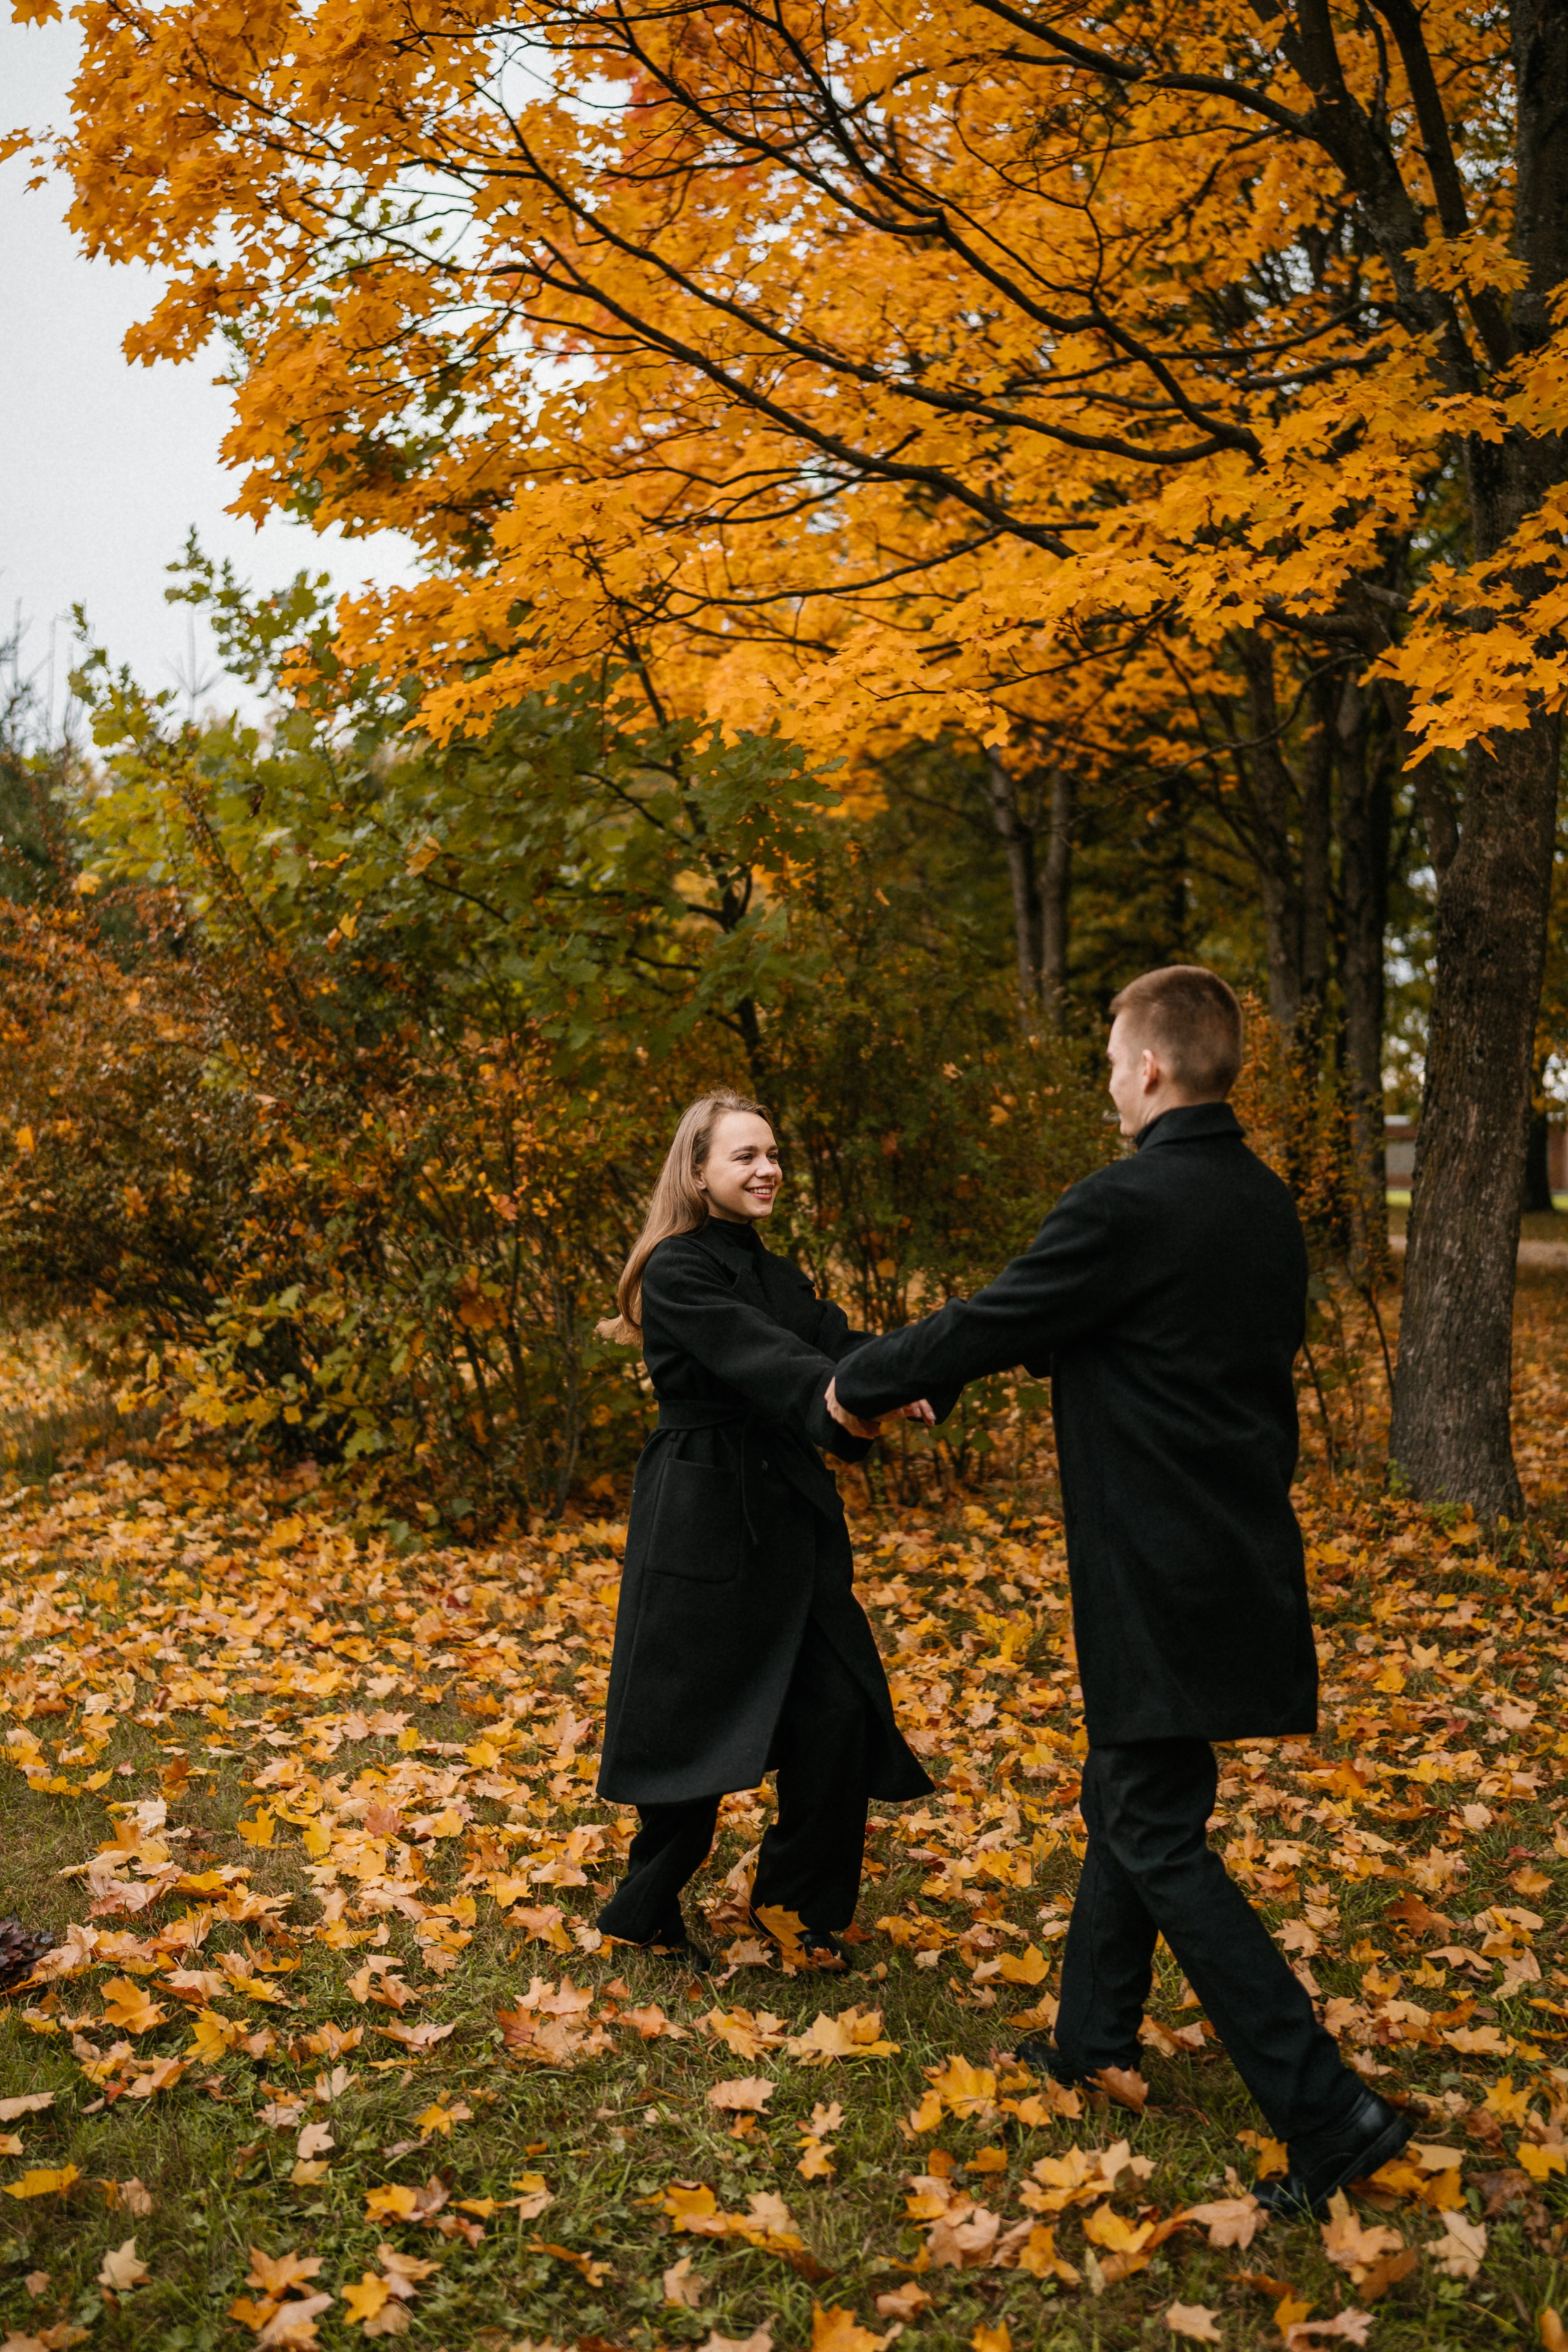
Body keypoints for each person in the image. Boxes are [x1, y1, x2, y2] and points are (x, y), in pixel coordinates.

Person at [826, 967, 1413, 2218]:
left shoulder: (1127, 1199)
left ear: (1148, 1068)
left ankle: (1326, 2110)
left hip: (1155, 1560)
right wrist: (977, 1366)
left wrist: (855, 1384)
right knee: (1134, 1789)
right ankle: (1091, 2041)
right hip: (1233, 1547)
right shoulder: (1259, 1202)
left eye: (1107, 1057)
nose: (1105, 1077)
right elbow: (1124, 1329)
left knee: (1152, 1824)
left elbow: (1003, 1312)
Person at [594, 1088, 936, 1970]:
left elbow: (838, 1340)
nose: (767, 1168)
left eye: (772, 1153)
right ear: (698, 1170)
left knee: (839, 1708)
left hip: (787, 1517)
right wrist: (841, 1398)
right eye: (745, 1155)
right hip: (701, 1517)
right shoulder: (677, 1270)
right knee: (690, 1720)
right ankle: (646, 1905)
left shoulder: (777, 1273)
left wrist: (922, 1365)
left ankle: (798, 1910)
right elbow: (769, 1357)